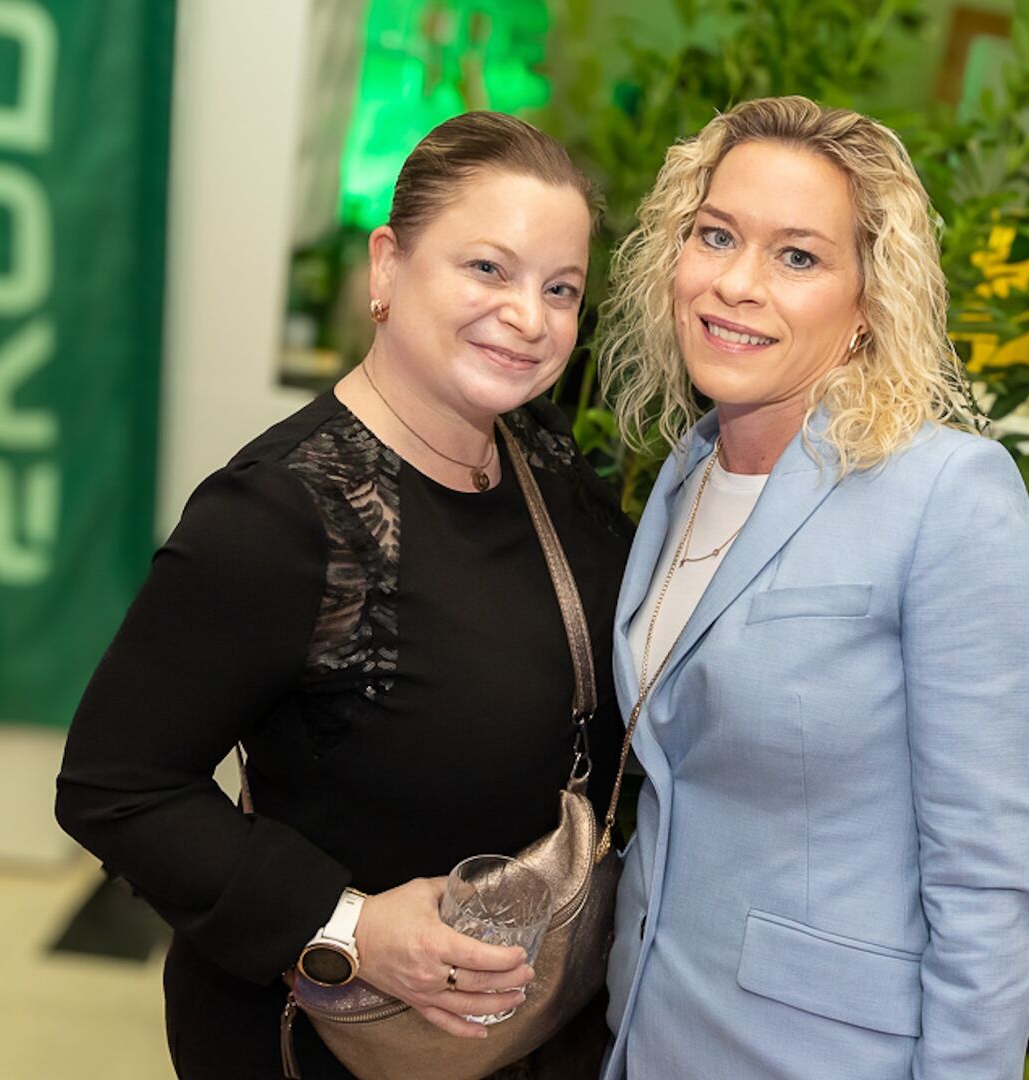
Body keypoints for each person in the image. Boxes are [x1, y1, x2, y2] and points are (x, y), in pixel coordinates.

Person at [56, 112, 632, 1080]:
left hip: (530, 1033)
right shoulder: (282, 516)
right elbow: (115, 785)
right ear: (386, 266)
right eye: (486, 269)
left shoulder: (546, 464)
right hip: (330, 1041)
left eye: (559, 288)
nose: (529, 318)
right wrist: (346, 924)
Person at [594, 96, 1029, 1080]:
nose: (735, 283)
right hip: (648, 1027)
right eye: (715, 236)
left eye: (797, 256)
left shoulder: (946, 494)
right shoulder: (684, 475)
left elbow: (989, 883)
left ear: (866, 303)